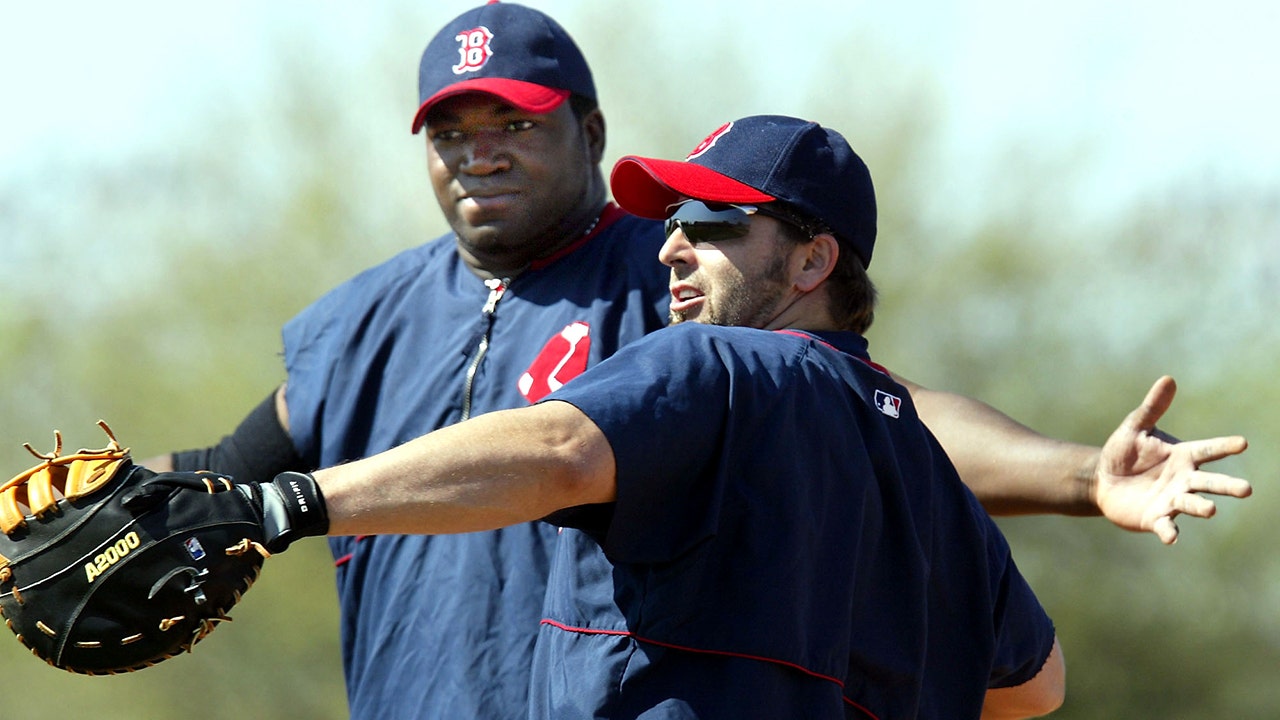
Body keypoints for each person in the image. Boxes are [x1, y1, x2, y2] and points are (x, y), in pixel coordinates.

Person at [144, 2, 1248, 718]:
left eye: (514, 122)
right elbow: (224, 480)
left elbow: (876, 414)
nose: (479, 149)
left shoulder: (688, 315)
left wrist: (1073, 477)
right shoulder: (362, 318)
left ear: (585, 128)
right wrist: (145, 514)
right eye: (451, 129)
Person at [233, 112, 1065, 717]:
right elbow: (1036, 686)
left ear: (814, 259)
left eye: (710, 223)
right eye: (671, 222)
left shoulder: (710, 362)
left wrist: (279, 503)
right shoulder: (928, 476)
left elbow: (558, 450)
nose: (671, 246)